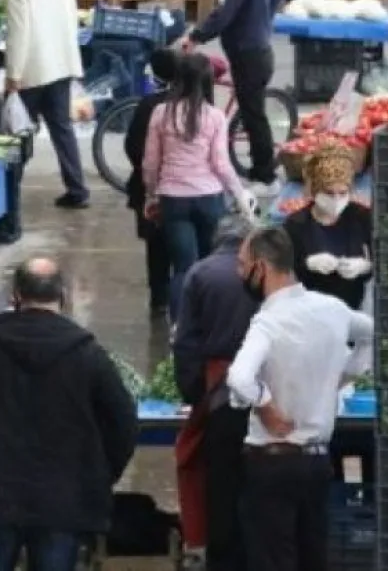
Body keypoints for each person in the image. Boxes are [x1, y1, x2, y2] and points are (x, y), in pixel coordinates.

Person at [0, 258, 138, 571]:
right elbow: (124, 423)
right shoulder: (89, 356)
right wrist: (99, 474)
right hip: (63, 502)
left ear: (15, 296)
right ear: (62, 296)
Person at [226, 227, 374, 571]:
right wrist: (345, 374)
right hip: (316, 463)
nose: (238, 272)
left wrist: (264, 404)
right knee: (313, 557)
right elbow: (372, 332)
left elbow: (239, 378)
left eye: (242, 264)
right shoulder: (332, 309)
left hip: (271, 464)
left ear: (262, 267)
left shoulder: (267, 322)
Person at [172, 213, 260, 571]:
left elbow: (185, 342)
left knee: (216, 474)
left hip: (217, 387)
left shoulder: (200, 273)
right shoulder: (264, 271)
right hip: (262, 384)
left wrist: (193, 393)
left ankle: (213, 549)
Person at [144, 54, 255, 314]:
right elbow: (221, 164)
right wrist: (240, 193)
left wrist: (151, 194)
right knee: (209, 264)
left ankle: (179, 324)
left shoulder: (161, 113)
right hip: (210, 199)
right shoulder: (215, 117)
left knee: (183, 267)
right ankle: (208, 317)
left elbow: (150, 163)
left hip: (173, 199)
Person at [2, 0, 89, 209]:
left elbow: (19, 32)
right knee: (62, 128)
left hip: (33, 71)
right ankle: (77, 189)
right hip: (60, 64)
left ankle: (9, 193)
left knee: (17, 131)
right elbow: (71, 12)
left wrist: (13, 75)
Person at [185, 0, 278, 186]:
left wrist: (196, 36)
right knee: (252, 114)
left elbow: (224, 14)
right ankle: (262, 170)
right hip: (256, 53)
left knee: (254, 117)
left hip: (250, 57)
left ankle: (265, 175)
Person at [284, 145, 374, 310]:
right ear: (314, 191)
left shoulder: (361, 217)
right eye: (329, 193)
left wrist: (365, 266)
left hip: (354, 306)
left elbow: (381, 259)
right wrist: (307, 264)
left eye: (343, 193)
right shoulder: (296, 224)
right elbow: (285, 268)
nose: (337, 200)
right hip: (311, 307)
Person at [124, 50, 179, 312]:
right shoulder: (199, 105)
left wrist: (147, 181)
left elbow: (134, 147)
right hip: (190, 189)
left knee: (156, 246)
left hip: (152, 188)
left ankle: (160, 298)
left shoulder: (149, 106)